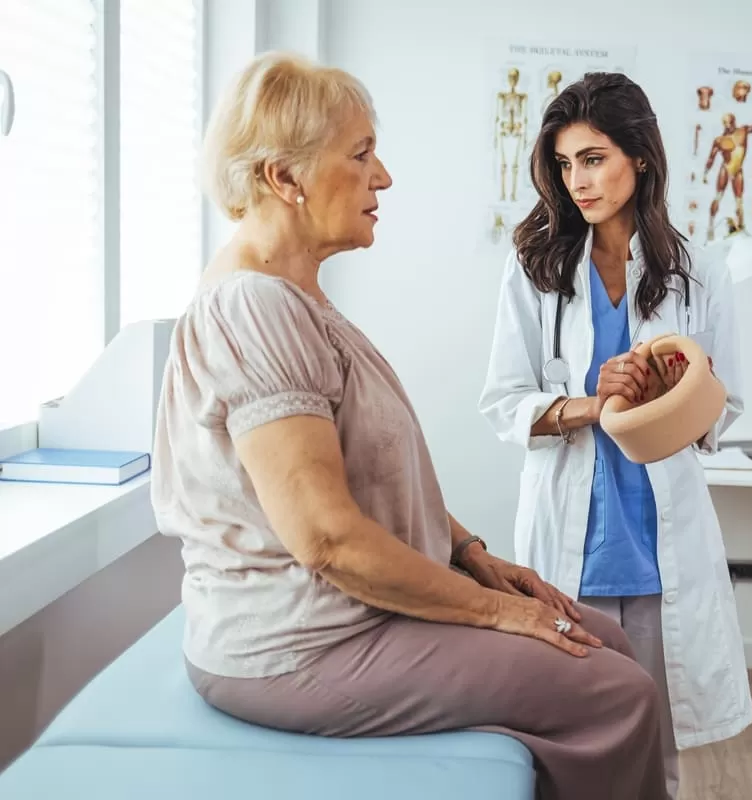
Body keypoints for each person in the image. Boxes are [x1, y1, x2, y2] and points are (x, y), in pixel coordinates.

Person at [150, 51, 670, 800]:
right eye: (360, 155)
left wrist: (470, 553)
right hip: (299, 645)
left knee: (608, 642)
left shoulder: (296, 300)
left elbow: (365, 477)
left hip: (343, 619)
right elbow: (326, 538)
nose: (383, 177)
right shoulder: (255, 308)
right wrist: (499, 614)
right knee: (618, 691)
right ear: (284, 178)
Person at [479, 72, 752, 799]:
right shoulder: (535, 268)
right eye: (566, 163)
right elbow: (502, 402)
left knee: (654, 749)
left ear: (639, 157)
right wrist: (588, 405)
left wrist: (675, 391)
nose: (578, 180)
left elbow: (723, 410)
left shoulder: (700, 272)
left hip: (660, 543)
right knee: (567, 740)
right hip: (570, 539)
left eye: (594, 158)